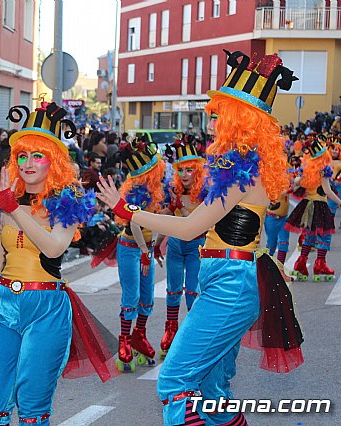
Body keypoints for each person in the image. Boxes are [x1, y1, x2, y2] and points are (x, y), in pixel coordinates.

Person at [98, 50, 304, 425]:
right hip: (225, 281)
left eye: (220, 112)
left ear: (241, 120)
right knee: (213, 396)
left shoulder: (242, 169)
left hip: (229, 284)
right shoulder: (240, 166)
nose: (212, 119)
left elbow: (192, 228)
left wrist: (129, 212)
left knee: (175, 382)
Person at [0, 102, 115, 425]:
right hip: (3, 306)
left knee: (33, 407)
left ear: (54, 161)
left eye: (38, 155)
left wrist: (14, 209)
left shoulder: (67, 202)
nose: (28, 163)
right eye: (22, 155)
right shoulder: (1, 202)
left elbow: (54, 247)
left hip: (47, 307)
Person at [110, 139, 166, 371]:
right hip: (131, 248)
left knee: (147, 297)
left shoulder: (156, 191)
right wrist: (145, 251)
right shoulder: (135, 193)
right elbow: (134, 224)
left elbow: (160, 220)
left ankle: (138, 336)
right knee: (131, 296)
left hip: (146, 249)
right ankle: (124, 341)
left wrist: (156, 246)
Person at [153, 137, 207, 360]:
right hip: (175, 246)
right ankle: (171, 334)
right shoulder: (174, 192)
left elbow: (195, 225)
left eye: (189, 170)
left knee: (193, 293)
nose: (185, 175)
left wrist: (180, 208)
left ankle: (193, 339)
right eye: (181, 170)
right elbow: (168, 221)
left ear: (198, 171)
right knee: (173, 292)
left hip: (197, 247)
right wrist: (157, 245)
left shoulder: (206, 195)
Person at [286, 135, 341, 281]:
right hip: (320, 205)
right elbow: (328, 190)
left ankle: (301, 265)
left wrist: (293, 182)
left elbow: (296, 183)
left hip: (307, 204)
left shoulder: (307, 169)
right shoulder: (323, 170)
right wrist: (340, 202)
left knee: (309, 235)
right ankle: (320, 266)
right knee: (324, 236)